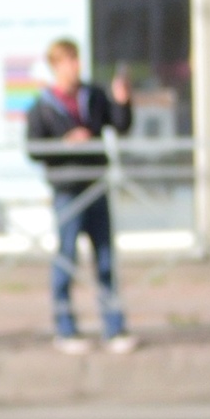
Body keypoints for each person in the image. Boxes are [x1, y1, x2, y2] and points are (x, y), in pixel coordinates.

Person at [25, 37, 137, 355]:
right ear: (56, 67)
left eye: (77, 60)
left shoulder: (94, 95)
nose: (76, 67)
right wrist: (64, 144)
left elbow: (120, 125)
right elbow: (33, 149)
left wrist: (124, 101)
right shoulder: (42, 107)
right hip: (66, 191)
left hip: (95, 185)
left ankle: (114, 326)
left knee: (104, 258)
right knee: (66, 258)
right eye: (69, 62)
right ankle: (65, 327)